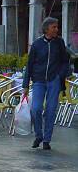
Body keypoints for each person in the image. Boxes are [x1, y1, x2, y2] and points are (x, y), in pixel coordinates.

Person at [23, 17, 70, 150]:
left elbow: (65, 61)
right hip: (38, 80)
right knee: (36, 108)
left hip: (54, 80)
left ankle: (47, 140)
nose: (57, 29)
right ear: (46, 29)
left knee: (50, 110)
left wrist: (60, 74)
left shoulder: (59, 42)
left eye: (57, 27)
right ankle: (39, 134)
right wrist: (25, 85)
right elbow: (29, 64)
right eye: (54, 27)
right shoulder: (37, 44)